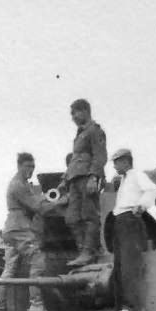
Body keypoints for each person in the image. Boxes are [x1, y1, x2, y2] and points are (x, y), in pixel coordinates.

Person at [0, 153, 61, 311]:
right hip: (19, 228)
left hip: (12, 228)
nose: (31, 170)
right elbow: (38, 207)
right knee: (37, 259)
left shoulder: (21, 183)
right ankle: (36, 305)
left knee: (9, 270)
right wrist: (61, 201)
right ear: (19, 166)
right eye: (28, 166)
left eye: (32, 167)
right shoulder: (18, 185)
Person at [109, 148, 156, 311]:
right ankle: (120, 306)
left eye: (116, 162)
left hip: (130, 219)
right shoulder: (124, 179)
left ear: (125, 161)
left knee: (129, 264)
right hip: (120, 220)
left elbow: (153, 189)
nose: (114, 166)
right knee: (119, 265)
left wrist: (142, 205)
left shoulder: (137, 175)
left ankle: (131, 306)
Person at [63, 99, 107, 267]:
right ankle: (85, 250)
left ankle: (88, 252)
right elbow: (75, 159)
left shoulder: (95, 131)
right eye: (71, 114)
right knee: (71, 218)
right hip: (74, 179)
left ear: (85, 111)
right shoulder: (80, 134)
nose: (73, 117)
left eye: (75, 113)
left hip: (87, 178)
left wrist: (94, 177)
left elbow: (100, 155)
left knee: (89, 215)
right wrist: (65, 180)